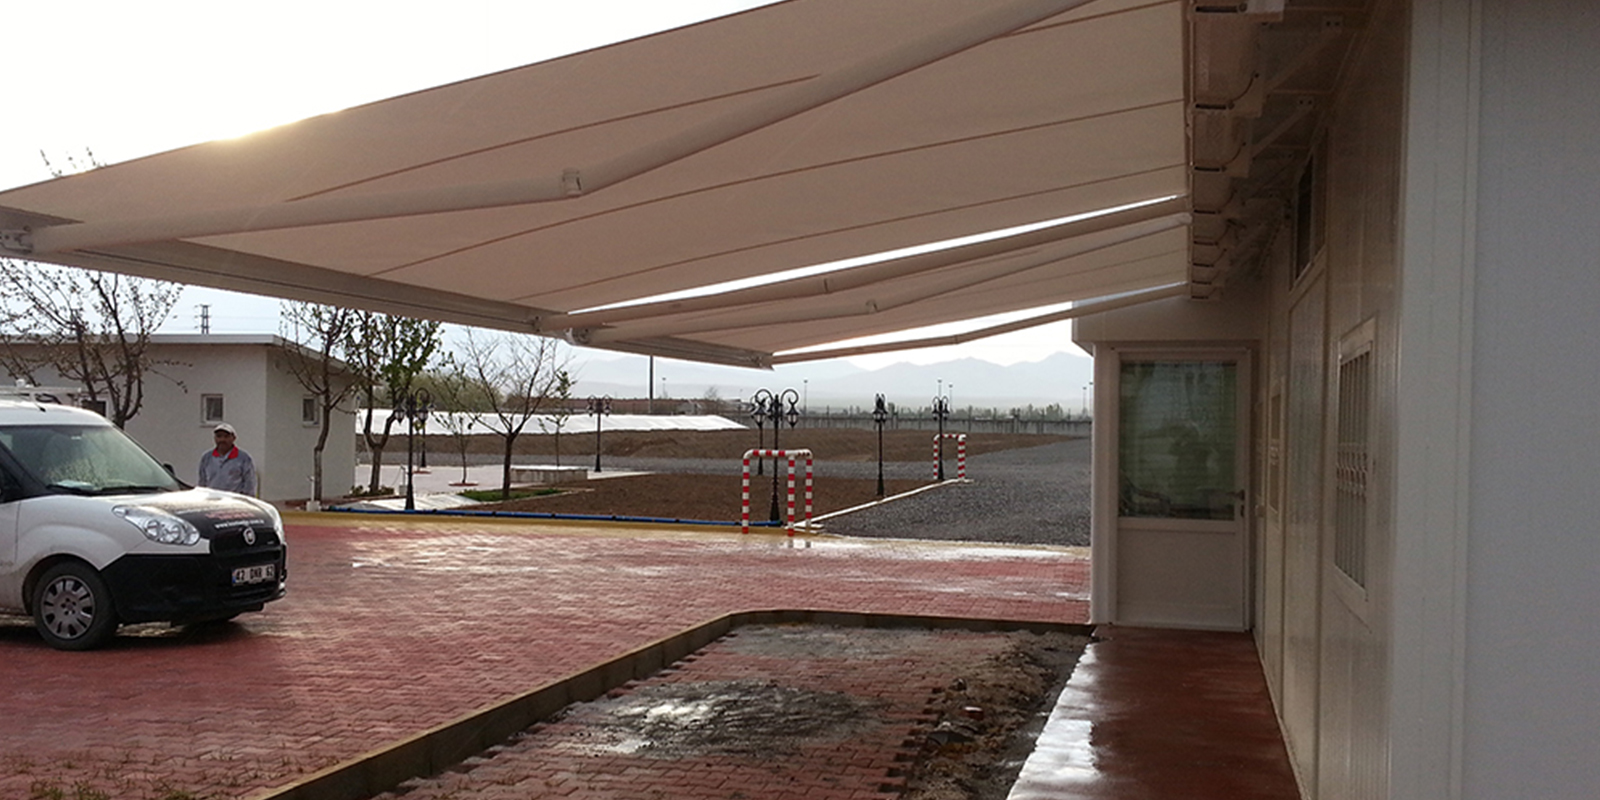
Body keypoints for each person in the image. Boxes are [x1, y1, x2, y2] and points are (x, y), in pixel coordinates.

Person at [198, 423, 257, 495]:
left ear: (234, 438)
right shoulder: (206, 458)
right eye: (219, 436)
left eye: (226, 436)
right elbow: (202, 483)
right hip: (212, 499)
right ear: (215, 438)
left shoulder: (244, 459)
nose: (222, 440)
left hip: (233, 500)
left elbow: (249, 485)